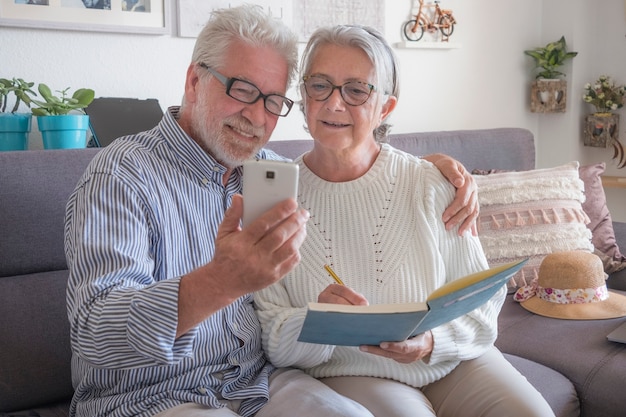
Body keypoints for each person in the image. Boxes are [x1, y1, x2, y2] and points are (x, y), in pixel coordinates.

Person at [64, 5, 478, 417]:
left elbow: (350, 165)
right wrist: (220, 282)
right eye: (242, 90)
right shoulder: (122, 173)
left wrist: (439, 170)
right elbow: (95, 333)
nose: (256, 116)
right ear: (194, 81)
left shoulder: (271, 173)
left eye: (273, 100)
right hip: (150, 397)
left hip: (258, 386)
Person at [254, 25, 555, 417]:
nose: (334, 103)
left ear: (386, 107)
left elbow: (483, 301)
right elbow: (271, 337)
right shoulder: (275, 199)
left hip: (452, 360)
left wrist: (431, 342)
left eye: (357, 90)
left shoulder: (432, 182)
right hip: (352, 372)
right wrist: (319, 322)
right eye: (320, 85)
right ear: (304, 93)